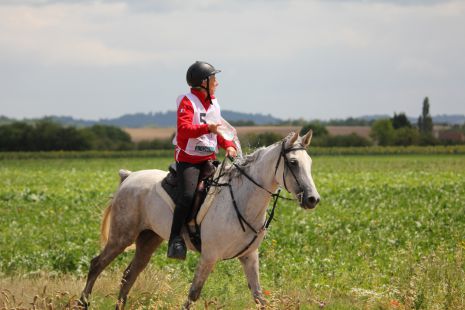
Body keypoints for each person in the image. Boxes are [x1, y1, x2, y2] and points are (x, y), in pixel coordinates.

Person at [168, 61, 237, 260]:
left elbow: (219, 131)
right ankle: (175, 240)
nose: (217, 83)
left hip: (208, 159)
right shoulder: (187, 101)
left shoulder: (214, 103)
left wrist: (228, 145)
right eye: (214, 79)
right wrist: (207, 128)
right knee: (188, 196)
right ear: (204, 82)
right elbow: (184, 131)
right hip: (188, 160)